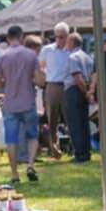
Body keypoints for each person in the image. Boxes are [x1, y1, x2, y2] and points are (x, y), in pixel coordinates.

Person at [0, 23, 41, 184]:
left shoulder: (1, 57)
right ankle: (31, 164)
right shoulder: (31, 55)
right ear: (22, 37)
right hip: (28, 101)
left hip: (10, 103)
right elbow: (40, 79)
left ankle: (14, 174)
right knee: (32, 135)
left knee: (11, 139)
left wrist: (7, 79)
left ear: (7, 38)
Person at [62, 31, 94, 166]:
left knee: (75, 123)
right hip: (84, 89)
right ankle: (86, 151)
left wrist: (85, 92)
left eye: (67, 41)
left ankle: (80, 154)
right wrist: (89, 91)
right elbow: (93, 76)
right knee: (84, 122)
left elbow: (77, 77)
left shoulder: (73, 57)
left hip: (75, 90)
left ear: (71, 42)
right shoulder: (88, 57)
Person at [41, 21, 71, 159]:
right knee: (51, 119)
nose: (59, 39)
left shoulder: (71, 50)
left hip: (66, 85)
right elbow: (39, 66)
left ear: (67, 36)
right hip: (52, 84)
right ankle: (53, 148)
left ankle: (73, 147)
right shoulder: (47, 50)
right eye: (57, 36)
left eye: (62, 36)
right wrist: (44, 79)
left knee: (69, 117)